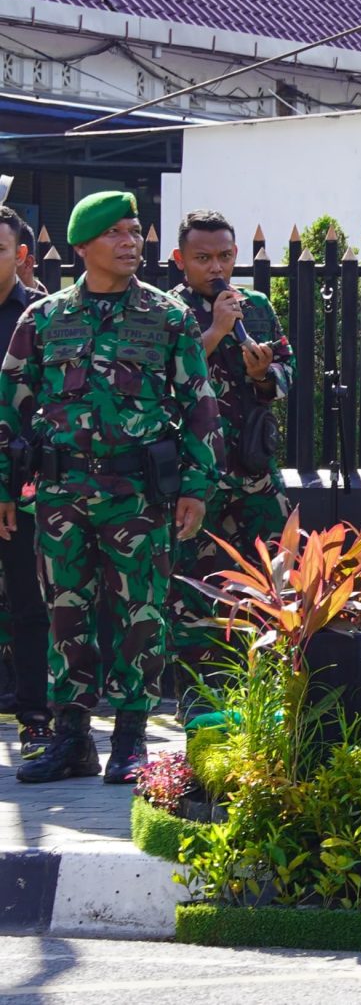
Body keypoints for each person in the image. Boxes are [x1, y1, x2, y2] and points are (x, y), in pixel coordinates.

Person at [0, 192, 217, 784]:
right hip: (61, 493)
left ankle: (130, 739)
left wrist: (196, 486)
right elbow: (10, 406)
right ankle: (72, 738)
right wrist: (4, 488)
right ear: (82, 246)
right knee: (64, 613)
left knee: (140, 614)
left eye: (135, 231)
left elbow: (199, 405)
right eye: (116, 233)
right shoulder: (43, 318)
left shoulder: (167, 316)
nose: (131, 243)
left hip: (138, 494)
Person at [167, 211, 292, 684]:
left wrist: (264, 375)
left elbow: (287, 372)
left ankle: (272, 684)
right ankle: (195, 693)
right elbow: (163, 377)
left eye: (224, 256)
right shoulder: (167, 309)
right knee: (189, 588)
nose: (216, 267)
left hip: (254, 467)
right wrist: (216, 331)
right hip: (195, 475)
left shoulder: (255, 306)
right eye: (203, 258)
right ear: (180, 259)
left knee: (276, 575)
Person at [0, 207, 48, 746]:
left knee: (29, 603)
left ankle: (35, 715)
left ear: (20, 255)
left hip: (22, 484)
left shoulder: (39, 316)